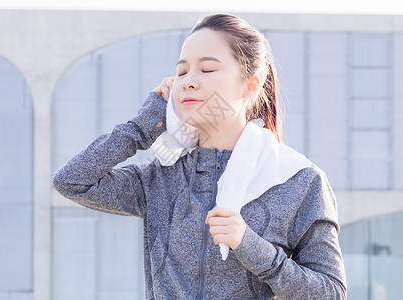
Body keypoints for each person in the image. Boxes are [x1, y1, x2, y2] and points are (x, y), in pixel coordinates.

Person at [51, 13, 347, 299]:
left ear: (250, 85)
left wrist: (249, 244)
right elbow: (72, 181)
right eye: (181, 71)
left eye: (207, 69)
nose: (189, 82)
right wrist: (145, 124)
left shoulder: (298, 180)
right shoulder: (161, 174)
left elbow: (330, 293)